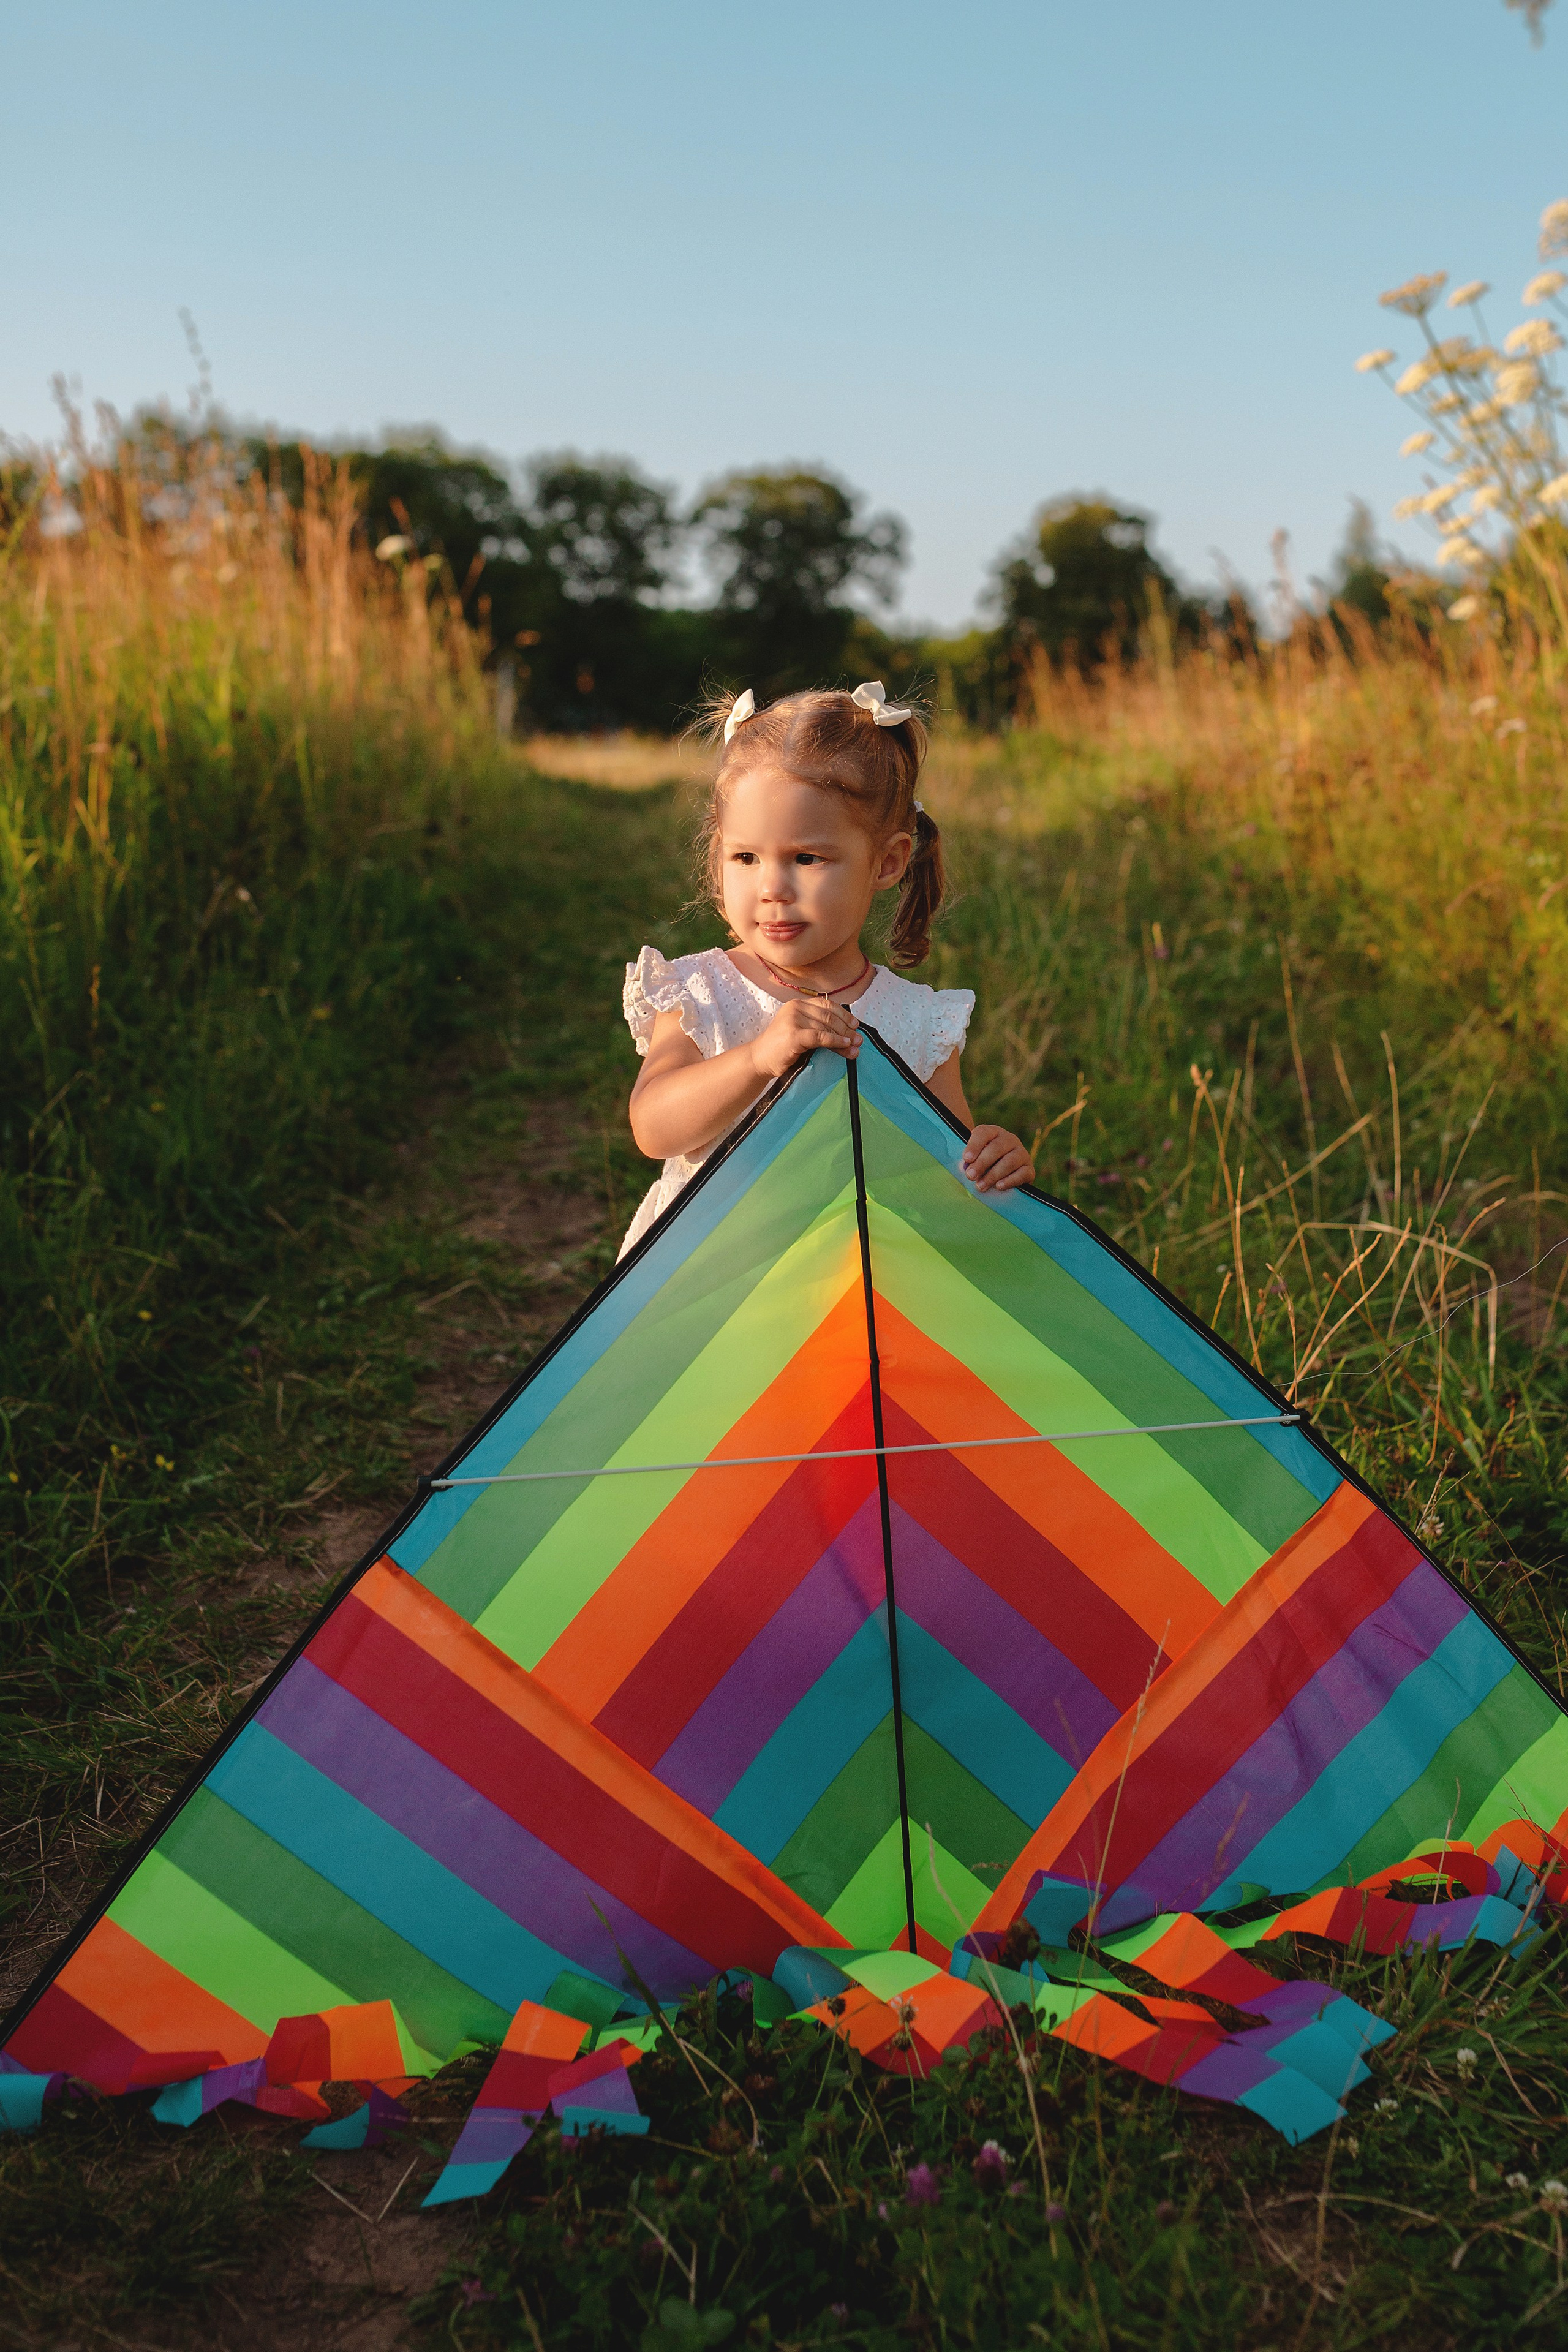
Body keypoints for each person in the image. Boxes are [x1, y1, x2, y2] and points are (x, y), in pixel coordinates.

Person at [619, 681, 1035, 1258]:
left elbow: (943, 1173)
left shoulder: (916, 1021)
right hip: (706, 1283)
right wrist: (756, 1060)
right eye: (746, 857)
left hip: (845, 1291)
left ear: (887, 862)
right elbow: (655, 1127)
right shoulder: (701, 992)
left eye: (807, 859)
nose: (771, 888)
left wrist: (989, 1163)